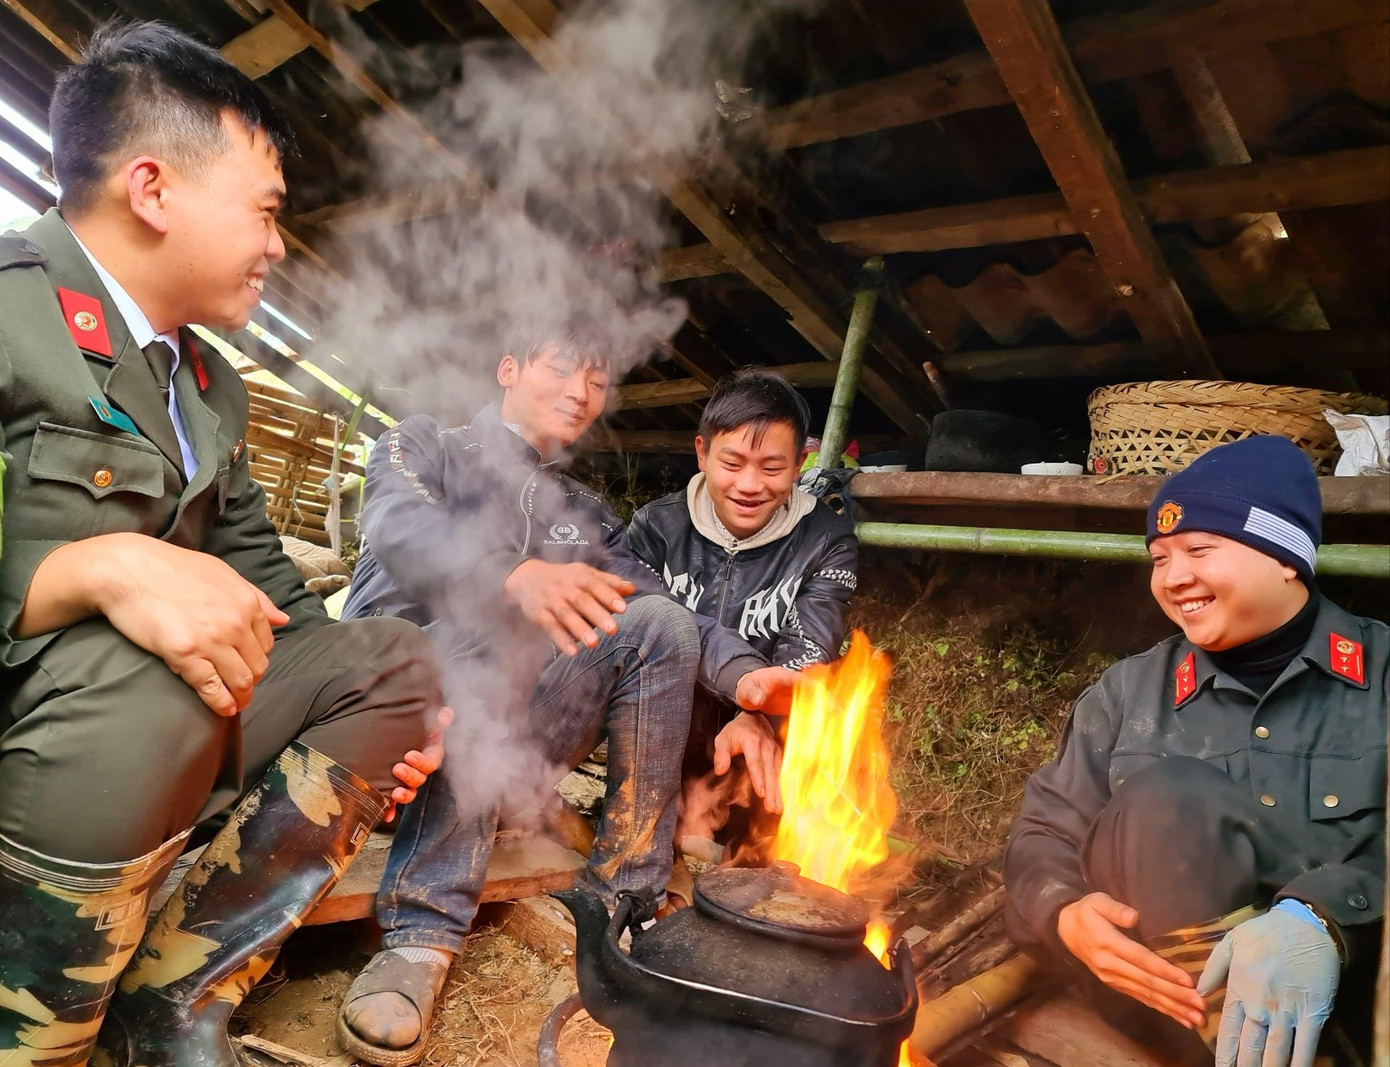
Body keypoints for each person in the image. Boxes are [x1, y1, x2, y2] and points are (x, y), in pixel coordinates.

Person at [0, 23, 445, 1065]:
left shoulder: (207, 386)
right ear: (153, 190)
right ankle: (38, 1032)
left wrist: (375, 723)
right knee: (152, 672)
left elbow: (271, 597)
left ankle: (171, 1003)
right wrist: (92, 566)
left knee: (391, 661)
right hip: (53, 731)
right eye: (266, 211)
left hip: (134, 750)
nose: (279, 246)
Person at [335, 335, 795, 1063]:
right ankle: (420, 933)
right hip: (386, 726)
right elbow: (401, 528)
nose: (581, 390)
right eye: (560, 366)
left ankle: (624, 907)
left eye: (597, 376)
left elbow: (649, 597)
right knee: (506, 616)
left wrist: (746, 678)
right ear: (507, 367)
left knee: (656, 623)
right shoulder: (422, 443)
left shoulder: (583, 512)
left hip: (504, 756)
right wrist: (514, 576)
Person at [1004, 435, 1386, 1067]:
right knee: (1170, 800)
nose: (1175, 577)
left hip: (1360, 1002)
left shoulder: (1384, 677)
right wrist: (1063, 911)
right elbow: (1044, 829)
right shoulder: (1130, 692)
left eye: (1198, 550)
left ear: (1285, 557)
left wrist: (1327, 916)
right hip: (1173, 1018)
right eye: (1159, 558)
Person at [626, 369, 858, 839]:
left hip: (764, 742)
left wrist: (756, 715)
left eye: (772, 469)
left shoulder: (825, 540)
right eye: (732, 464)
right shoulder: (656, 527)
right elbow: (636, 635)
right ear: (702, 453)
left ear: (798, 466)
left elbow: (811, 647)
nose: (750, 485)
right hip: (658, 731)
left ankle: (757, 848)